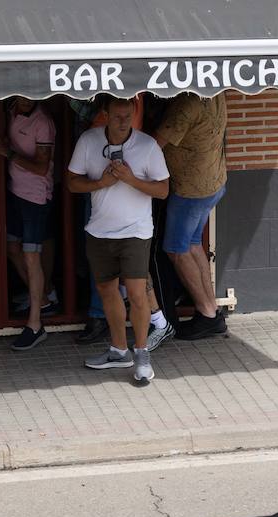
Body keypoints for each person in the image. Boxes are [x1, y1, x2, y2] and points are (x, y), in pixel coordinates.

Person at [65, 96, 171, 385]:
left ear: (134, 113)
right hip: (99, 231)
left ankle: (142, 354)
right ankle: (118, 350)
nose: (122, 123)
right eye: (117, 117)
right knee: (108, 292)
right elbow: (72, 182)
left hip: (136, 231)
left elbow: (162, 190)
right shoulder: (88, 141)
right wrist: (101, 182)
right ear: (105, 114)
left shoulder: (147, 146)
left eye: (127, 116)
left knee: (137, 295)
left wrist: (129, 178)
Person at [154, 92, 228, 340]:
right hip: (212, 183)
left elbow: (155, 144)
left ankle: (207, 313)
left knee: (177, 250)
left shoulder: (186, 104)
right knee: (193, 244)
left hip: (190, 190)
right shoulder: (216, 91)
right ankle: (211, 311)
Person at [0, 97, 59, 350]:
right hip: (14, 192)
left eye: (32, 97)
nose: (27, 101)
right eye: (22, 96)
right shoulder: (8, 108)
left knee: (31, 257)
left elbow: (41, 167)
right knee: (11, 249)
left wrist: (6, 152)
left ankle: (35, 325)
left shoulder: (43, 122)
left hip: (36, 198)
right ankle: (44, 298)